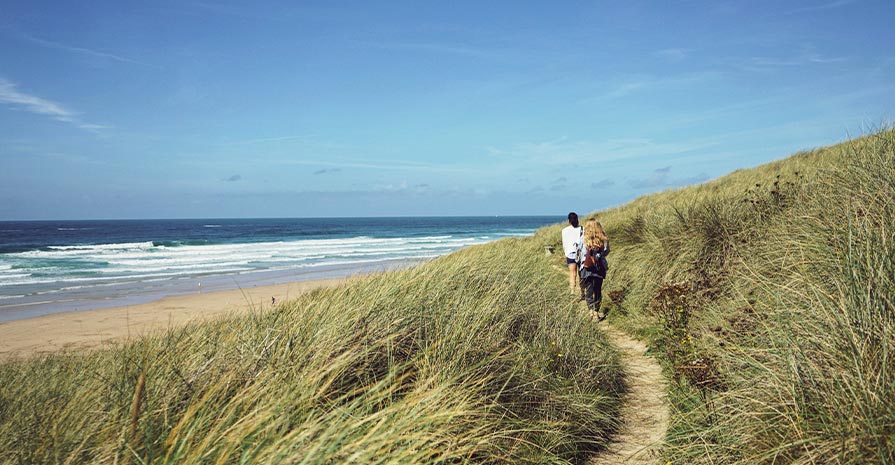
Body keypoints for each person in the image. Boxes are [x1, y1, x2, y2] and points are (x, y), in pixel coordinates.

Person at [578, 218, 610, 320]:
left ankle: (591, 311)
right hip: (599, 267)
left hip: (586, 267)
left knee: (589, 290)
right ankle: (596, 312)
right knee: (597, 290)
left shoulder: (583, 238)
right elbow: (606, 251)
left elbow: (580, 252)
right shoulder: (604, 239)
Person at [561, 212, 584, 297]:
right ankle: (582, 292)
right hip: (580, 253)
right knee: (581, 274)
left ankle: (572, 292)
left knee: (572, 273)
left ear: (569, 220)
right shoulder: (582, 229)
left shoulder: (564, 230)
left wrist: (566, 253)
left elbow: (564, 243)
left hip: (570, 253)